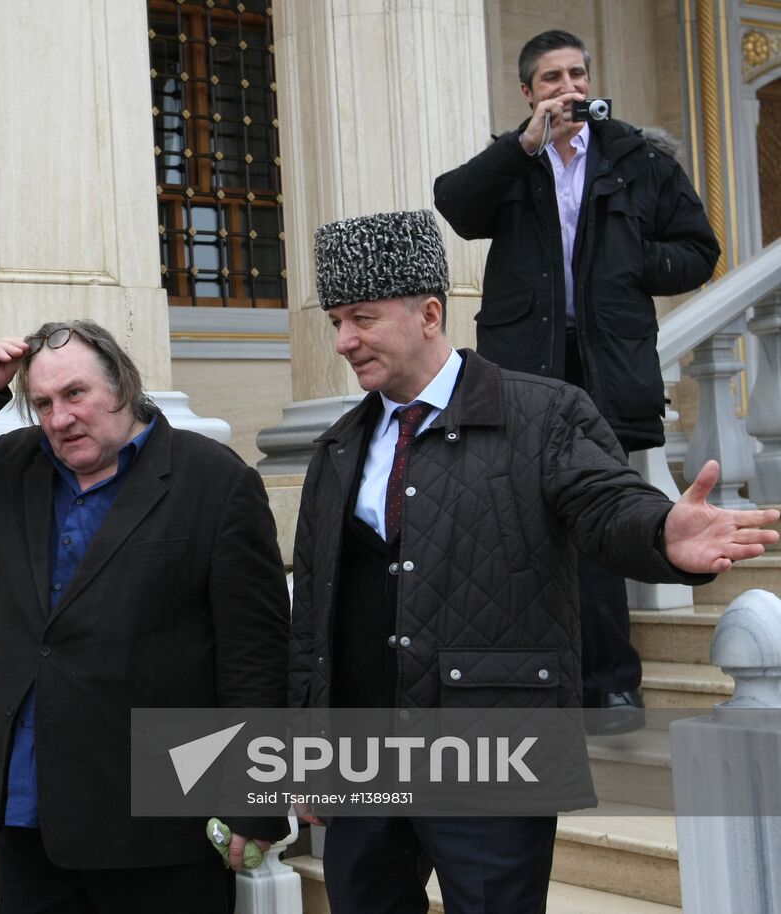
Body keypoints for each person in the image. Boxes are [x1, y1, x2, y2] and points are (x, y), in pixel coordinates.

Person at [287, 209, 776, 913]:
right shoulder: (336, 450)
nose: (343, 340)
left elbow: (608, 506)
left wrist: (663, 531)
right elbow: (314, 623)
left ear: (429, 313)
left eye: (360, 318)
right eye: (336, 321)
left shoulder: (544, 415)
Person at [0, 320, 290, 914]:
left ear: (122, 386)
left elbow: (254, 654)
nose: (58, 418)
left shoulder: (215, 481)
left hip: (159, 811)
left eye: (75, 394)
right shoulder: (12, 466)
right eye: (43, 403)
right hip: (33, 811)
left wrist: (251, 799)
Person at [433, 29, 721, 729]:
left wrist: (628, 261)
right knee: (518, 525)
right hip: (522, 366)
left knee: (598, 518)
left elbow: (698, 251)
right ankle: (535, 684)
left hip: (604, 366)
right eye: (553, 79)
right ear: (528, 92)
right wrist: (518, 148)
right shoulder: (513, 165)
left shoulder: (637, 157)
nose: (569, 89)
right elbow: (455, 206)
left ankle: (611, 682)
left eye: (577, 75)